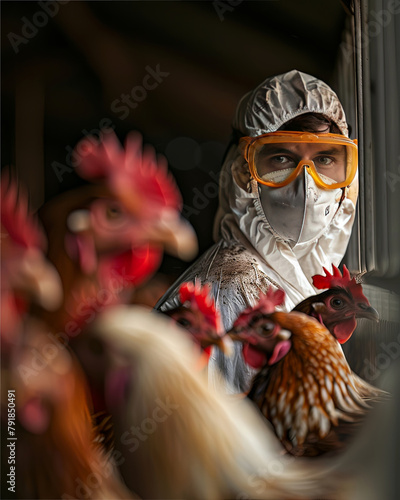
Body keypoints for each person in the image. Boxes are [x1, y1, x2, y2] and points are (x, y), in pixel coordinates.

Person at [156, 69, 359, 392]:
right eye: (281, 158)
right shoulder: (229, 293)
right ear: (242, 174)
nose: (306, 184)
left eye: (324, 159)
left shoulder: (286, 277)